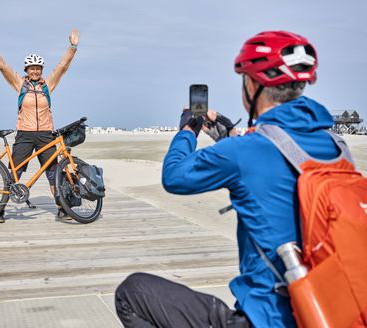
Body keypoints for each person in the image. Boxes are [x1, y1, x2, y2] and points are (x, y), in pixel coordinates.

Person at [115, 31, 343, 327]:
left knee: (132, 293)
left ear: (252, 84)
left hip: (269, 318)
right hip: (327, 308)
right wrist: (231, 135)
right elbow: (278, 154)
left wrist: (188, 129)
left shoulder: (244, 151)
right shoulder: (336, 146)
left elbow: (174, 176)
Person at [0, 28, 79, 222]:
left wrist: (73, 47)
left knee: (53, 174)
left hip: (45, 135)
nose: (35, 70)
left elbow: (62, 67)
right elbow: (2, 67)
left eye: (38, 68)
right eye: (31, 68)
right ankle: (0, 210)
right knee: (14, 172)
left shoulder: (47, 85)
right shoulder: (19, 84)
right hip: (24, 133)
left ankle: (62, 208)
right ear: (26, 70)